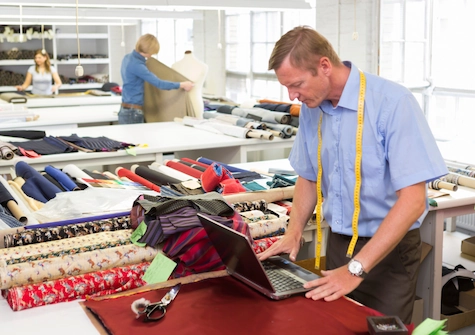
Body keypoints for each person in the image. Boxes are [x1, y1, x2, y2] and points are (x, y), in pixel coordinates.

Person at [257, 26, 448, 324]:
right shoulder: (313, 108)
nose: (292, 95)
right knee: (338, 326)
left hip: (389, 250)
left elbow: (413, 202)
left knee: (381, 330)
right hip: (338, 244)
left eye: (296, 84)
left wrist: (356, 268)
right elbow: (308, 176)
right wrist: (293, 233)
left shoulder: (392, 103)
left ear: (324, 66)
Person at [119, 34, 194, 124]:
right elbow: (160, 84)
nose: (152, 55)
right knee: (136, 138)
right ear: (149, 50)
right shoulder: (138, 66)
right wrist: (182, 84)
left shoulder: (127, 58)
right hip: (133, 112)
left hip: (125, 110)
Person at [172, 50, 209, 118]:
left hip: (195, 103)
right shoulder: (174, 66)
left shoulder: (203, 66)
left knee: (196, 126)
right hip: (179, 104)